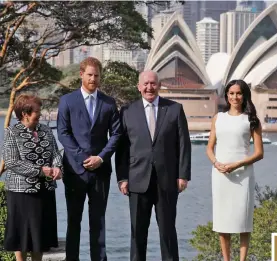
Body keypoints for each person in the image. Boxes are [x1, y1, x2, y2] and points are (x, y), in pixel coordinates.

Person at [115, 70, 191, 261]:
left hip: (167, 181)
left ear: (159, 86)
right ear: (139, 87)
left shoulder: (174, 109)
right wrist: (122, 177)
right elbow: (122, 149)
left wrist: (183, 175)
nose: (150, 87)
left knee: (167, 232)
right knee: (137, 232)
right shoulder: (127, 111)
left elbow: (183, 144)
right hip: (137, 180)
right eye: (146, 84)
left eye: (153, 84)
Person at [57, 57, 121, 261]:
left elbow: (117, 135)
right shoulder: (67, 101)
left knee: (98, 221)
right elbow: (63, 133)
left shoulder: (109, 103)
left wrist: (101, 158)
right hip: (75, 170)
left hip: (101, 172)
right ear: (81, 75)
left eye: (97, 75)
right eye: (90, 75)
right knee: (73, 221)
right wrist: (85, 158)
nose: (93, 79)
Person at [206, 79, 264, 261]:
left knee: (243, 220)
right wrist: (217, 163)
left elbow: (259, 153)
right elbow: (209, 148)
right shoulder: (218, 118)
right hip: (221, 175)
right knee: (223, 220)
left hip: (243, 175)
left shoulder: (251, 120)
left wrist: (236, 165)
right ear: (226, 95)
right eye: (231, 93)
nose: (235, 97)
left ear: (245, 95)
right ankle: (226, 259)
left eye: (238, 93)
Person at [2, 94, 63, 261]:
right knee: (21, 236)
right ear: (25, 113)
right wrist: (40, 171)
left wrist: (57, 168)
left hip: (45, 191)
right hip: (21, 192)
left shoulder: (45, 130)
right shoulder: (12, 132)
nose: (41, 114)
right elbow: (11, 161)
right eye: (38, 111)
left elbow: (56, 154)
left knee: (40, 236)